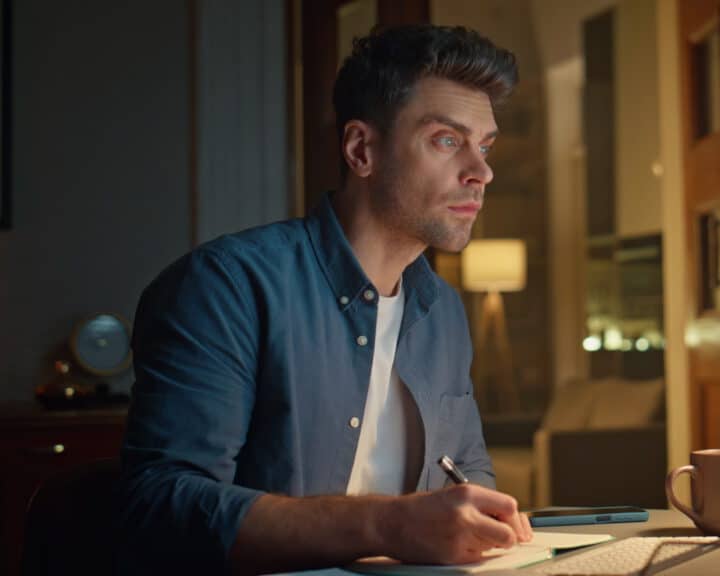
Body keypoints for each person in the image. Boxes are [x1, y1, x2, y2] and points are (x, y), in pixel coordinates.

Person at [116, 24, 532, 575]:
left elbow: (468, 472)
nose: (481, 171)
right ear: (362, 149)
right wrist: (389, 524)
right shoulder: (225, 286)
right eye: (447, 140)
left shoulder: (443, 310)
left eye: (484, 146)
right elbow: (162, 503)